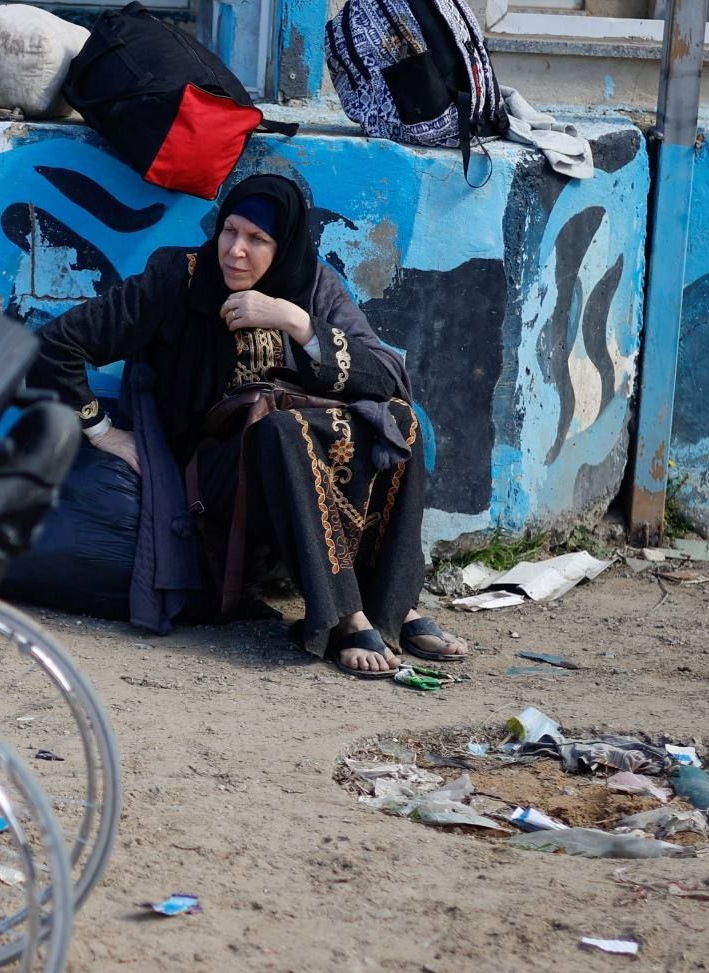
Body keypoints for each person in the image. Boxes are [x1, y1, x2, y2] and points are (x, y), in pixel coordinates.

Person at [31, 174, 469, 678]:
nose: (236, 252)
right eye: (229, 232)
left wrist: (294, 322)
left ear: (284, 247)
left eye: (257, 240)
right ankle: (345, 617)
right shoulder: (180, 277)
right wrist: (102, 430)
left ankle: (397, 605)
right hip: (213, 471)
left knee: (400, 421)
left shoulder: (313, 287)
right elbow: (57, 345)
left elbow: (388, 374)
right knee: (283, 433)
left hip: (301, 458)